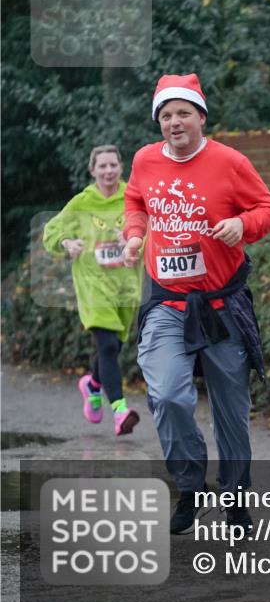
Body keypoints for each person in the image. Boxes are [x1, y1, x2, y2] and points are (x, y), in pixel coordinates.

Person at [122, 74, 270, 534]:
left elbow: (268, 208)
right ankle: (190, 486)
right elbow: (136, 200)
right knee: (168, 394)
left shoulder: (230, 162)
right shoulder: (145, 161)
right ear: (159, 122)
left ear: (201, 117)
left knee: (231, 412)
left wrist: (242, 225)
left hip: (221, 306)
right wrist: (134, 236)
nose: (174, 122)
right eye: (166, 115)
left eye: (183, 113)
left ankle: (234, 498)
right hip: (167, 304)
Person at [43, 145, 143, 436]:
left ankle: (93, 385)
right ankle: (120, 411)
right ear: (92, 171)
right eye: (102, 166)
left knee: (114, 346)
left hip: (125, 285)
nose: (108, 171)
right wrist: (66, 243)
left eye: (113, 165)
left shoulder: (133, 197)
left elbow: (152, 232)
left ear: (121, 167)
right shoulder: (81, 202)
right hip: (92, 285)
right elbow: (52, 230)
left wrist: (134, 242)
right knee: (109, 346)